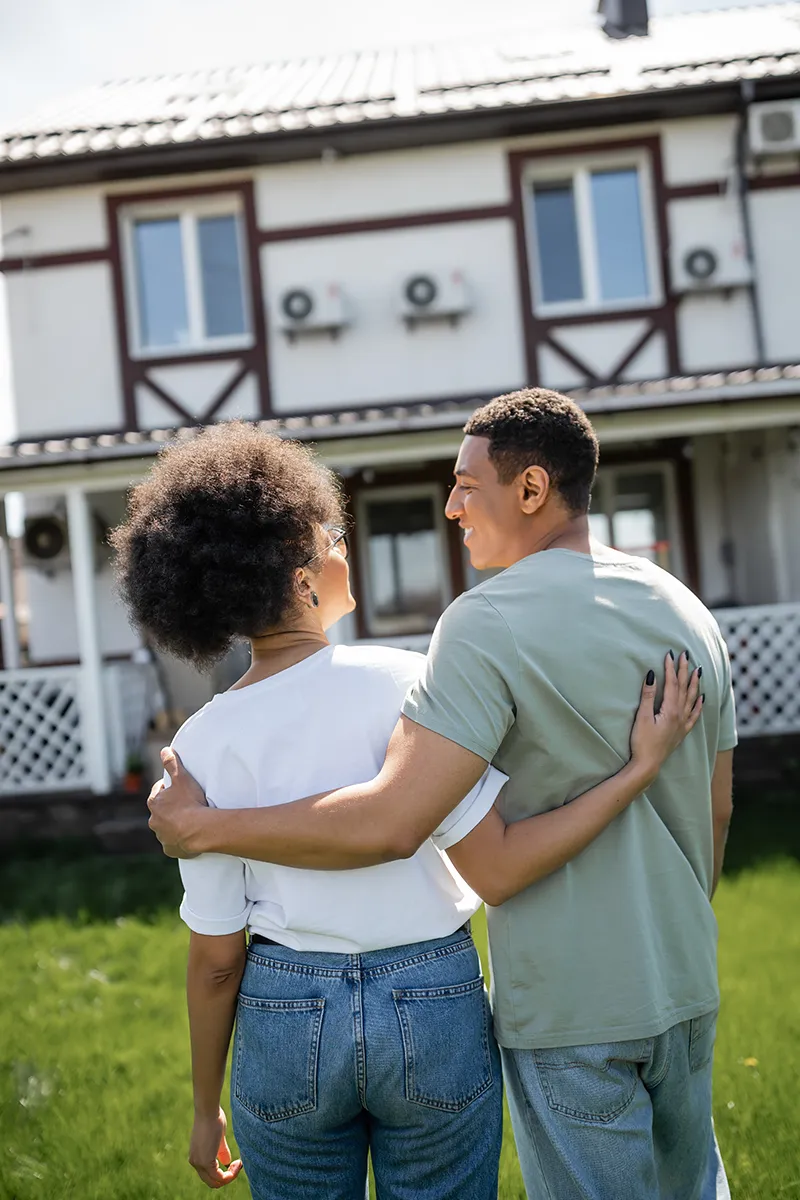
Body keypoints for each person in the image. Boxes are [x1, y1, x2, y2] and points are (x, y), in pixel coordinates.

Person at [147, 390, 735, 1200]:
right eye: (334, 539)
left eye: (466, 484)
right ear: (302, 577)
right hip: (603, 983)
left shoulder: (208, 742)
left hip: (348, 1010)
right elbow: (717, 807)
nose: (452, 505)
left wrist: (208, 830)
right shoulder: (682, 611)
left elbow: (230, 949)